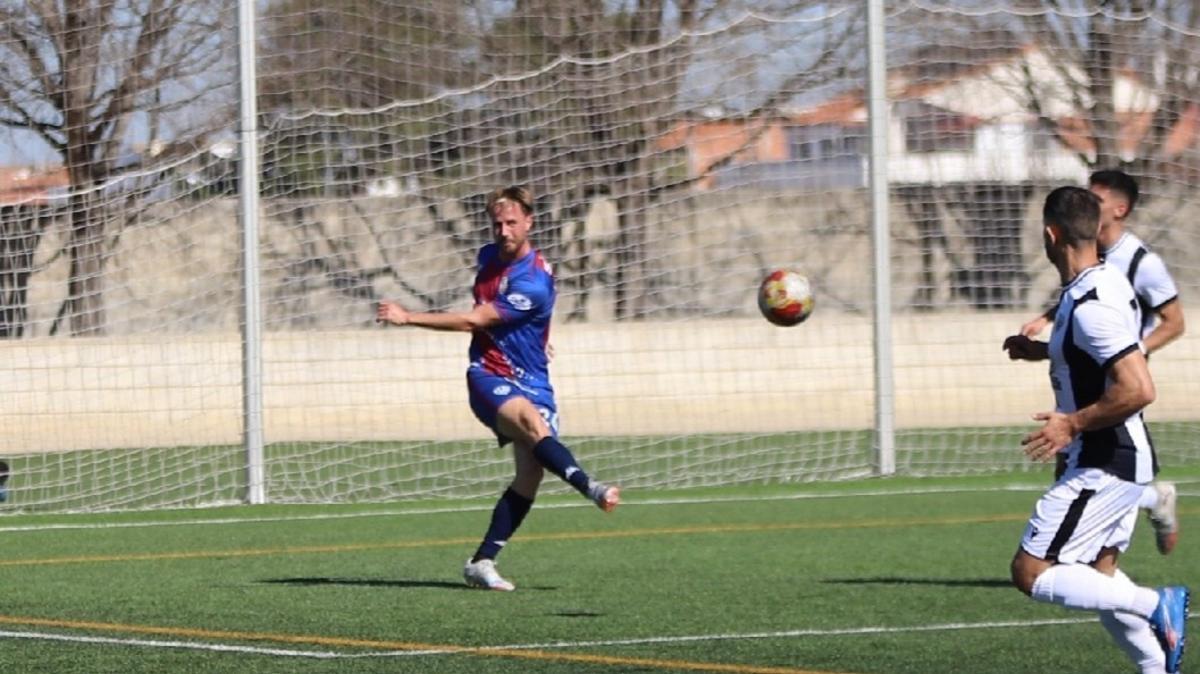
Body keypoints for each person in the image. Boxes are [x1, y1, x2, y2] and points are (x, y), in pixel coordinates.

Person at [376, 186, 620, 592]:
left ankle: (481, 562)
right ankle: (590, 487)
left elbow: (484, 317)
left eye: (511, 223)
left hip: (533, 379)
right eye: (497, 224)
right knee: (531, 424)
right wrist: (536, 336)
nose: (503, 231)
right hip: (488, 375)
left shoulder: (533, 281)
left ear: (529, 223)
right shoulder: (488, 256)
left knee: (530, 474)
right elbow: (477, 322)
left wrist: (408, 316)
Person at [1003, 186, 1189, 674]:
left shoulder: (1091, 304)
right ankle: (1156, 668)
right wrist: (1044, 352)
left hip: (1105, 459)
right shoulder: (1100, 282)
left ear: (1051, 235)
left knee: (1031, 571)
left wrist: (1072, 422)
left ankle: (1157, 604)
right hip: (1119, 457)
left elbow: (1139, 388)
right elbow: (1101, 350)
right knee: (1096, 574)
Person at [1019, 169, 1181, 555]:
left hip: (1117, 383)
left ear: (1119, 209)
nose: (1089, 202)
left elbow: (1175, 323)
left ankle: (1149, 503)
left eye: (1098, 198)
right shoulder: (1094, 263)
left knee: (1092, 471)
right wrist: (1047, 342)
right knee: (1077, 474)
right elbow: (1086, 320)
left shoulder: (1140, 263)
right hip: (1094, 377)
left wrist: (1131, 354)